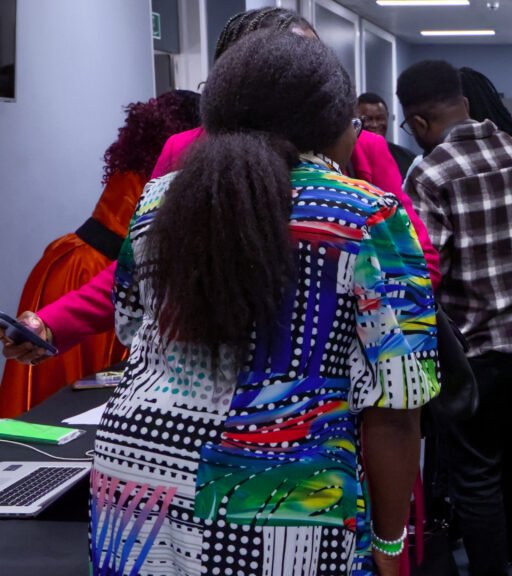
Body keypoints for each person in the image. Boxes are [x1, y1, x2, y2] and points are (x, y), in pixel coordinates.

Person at [89, 30, 437, 576]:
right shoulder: (367, 215)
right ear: (331, 125)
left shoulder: (160, 199)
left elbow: (132, 327)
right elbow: (396, 403)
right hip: (283, 492)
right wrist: (391, 545)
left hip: (135, 473)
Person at [2, 7, 440, 371]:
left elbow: (417, 265)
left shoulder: (360, 147)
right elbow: (145, 265)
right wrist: (52, 323)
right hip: (211, 375)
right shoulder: (187, 151)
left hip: (339, 372)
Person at [398, 59, 512, 576]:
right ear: (464, 104)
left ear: (418, 122)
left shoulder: (430, 173)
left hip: (477, 355)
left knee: (476, 476)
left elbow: (426, 271)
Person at [0, 90, 201, 417]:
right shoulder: (179, 151)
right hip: (97, 273)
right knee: (72, 402)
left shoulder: (146, 156)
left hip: (69, 261)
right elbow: (142, 261)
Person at [358, 92, 418, 177]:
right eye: (368, 119)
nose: (375, 124)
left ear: (387, 117)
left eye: (380, 118)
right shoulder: (347, 159)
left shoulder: (407, 158)